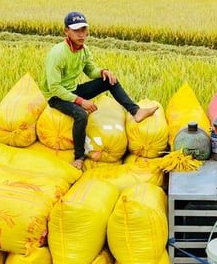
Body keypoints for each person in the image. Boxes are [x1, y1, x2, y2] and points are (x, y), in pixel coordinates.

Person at [40, 11, 158, 170]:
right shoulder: (58, 54)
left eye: (83, 30)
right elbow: (54, 87)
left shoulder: (83, 50)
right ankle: (79, 157)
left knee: (109, 79)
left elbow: (90, 70)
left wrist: (102, 71)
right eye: (76, 30)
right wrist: (81, 102)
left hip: (72, 90)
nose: (81, 34)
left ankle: (135, 111)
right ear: (66, 31)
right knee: (81, 114)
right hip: (56, 96)